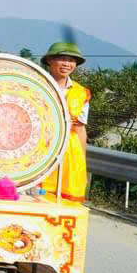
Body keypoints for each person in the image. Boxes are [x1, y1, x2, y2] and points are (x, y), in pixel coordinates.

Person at [40, 42, 91, 202]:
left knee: (63, 202)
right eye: (62, 59)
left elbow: (80, 129)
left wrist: (81, 159)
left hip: (68, 151)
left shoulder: (80, 93)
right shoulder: (36, 84)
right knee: (36, 197)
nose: (67, 64)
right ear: (50, 61)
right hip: (39, 148)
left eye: (72, 60)